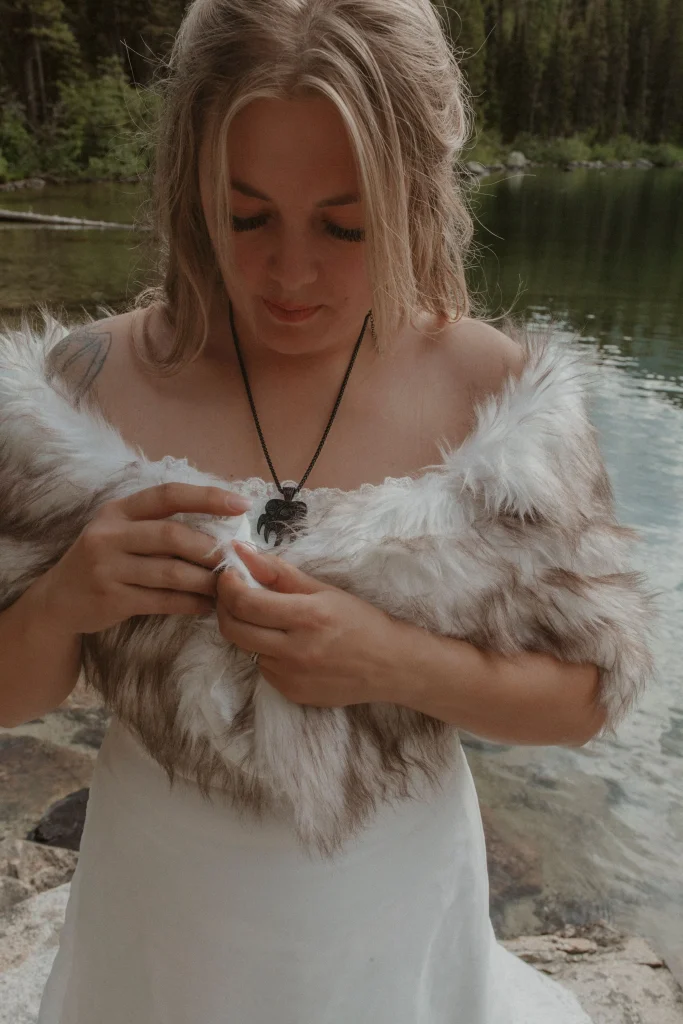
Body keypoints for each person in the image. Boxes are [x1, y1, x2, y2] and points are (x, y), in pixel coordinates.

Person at [0, 1, 654, 1022]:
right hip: (158, 914)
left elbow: (583, 694)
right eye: (246, 214)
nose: (290, 274)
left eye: (345, 225)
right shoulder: (78, 391)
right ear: (188, 186)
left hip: (391, 913)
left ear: (418, 194)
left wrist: (387, 659)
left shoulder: (499, 402)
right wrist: (61, 604)